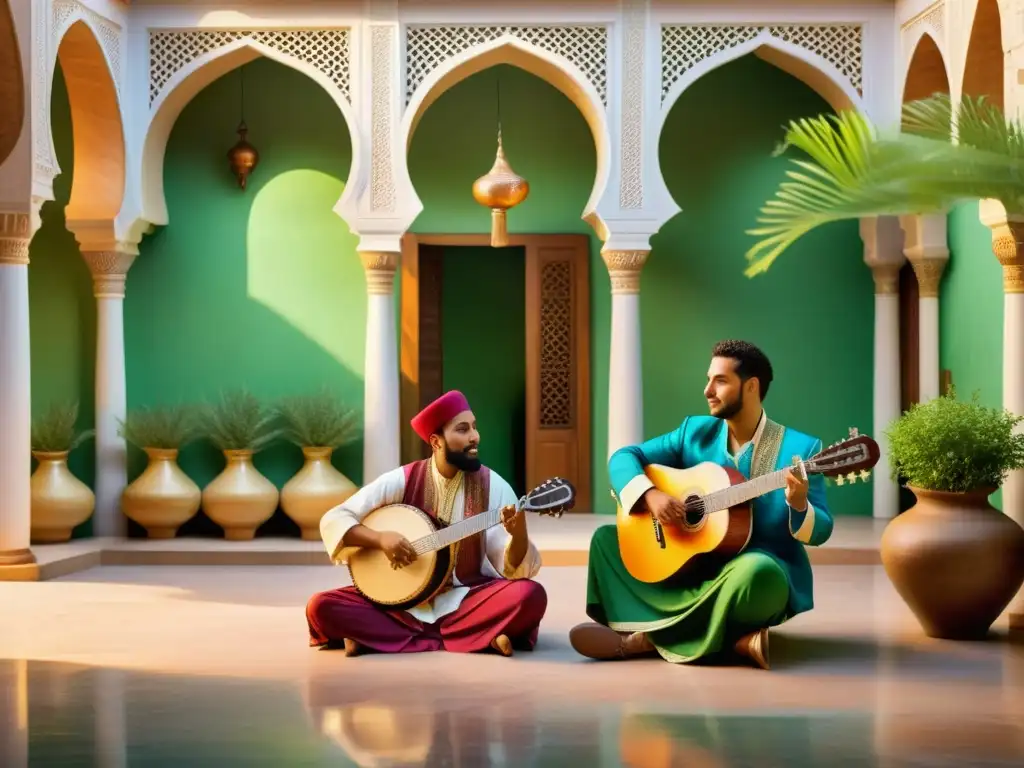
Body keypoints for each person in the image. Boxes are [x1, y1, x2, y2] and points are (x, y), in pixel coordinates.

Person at [569, 340, 833, 669]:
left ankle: (648, 637)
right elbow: (625, 457)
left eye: (720, 381)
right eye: (708, 379)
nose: (707, 390)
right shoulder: (693, 432)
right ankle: (733, 639)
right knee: (607, 541)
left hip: (743, 576)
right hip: (687, 569)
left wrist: (799, 505)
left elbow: (821, 529)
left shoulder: (801, 449)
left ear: (751, 387)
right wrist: (650, 494)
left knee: (760, 573)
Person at [307, 390, 547, 657]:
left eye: (475, 428)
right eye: (463, 429)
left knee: (530, 596)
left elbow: (511, 567)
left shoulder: (494, 487)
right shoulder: (403, 479)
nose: (474, 437)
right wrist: (380, 539)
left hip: (466, 598)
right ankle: (481, 637)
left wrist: (519, 533)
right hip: (400, 601)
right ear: (436, 441)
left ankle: (373, 638)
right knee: (320, 606)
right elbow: (335, 518)